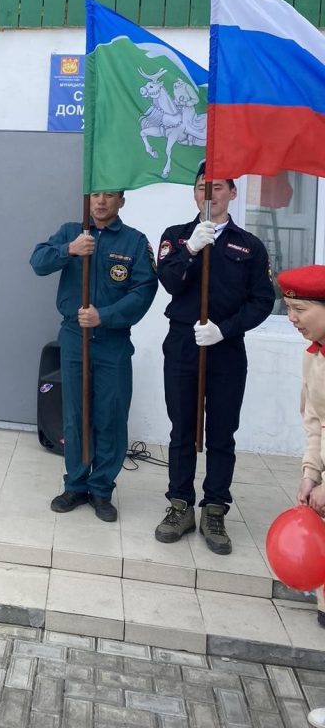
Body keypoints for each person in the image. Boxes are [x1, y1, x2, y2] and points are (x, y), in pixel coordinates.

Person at [155, 161, 274, 554]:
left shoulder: (249, 246)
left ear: (233, 193)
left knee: (222, 432)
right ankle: (180, 505)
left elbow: (262, 301)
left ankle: (215, 508)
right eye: (203, 186)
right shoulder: (175, 237)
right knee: (182, 429)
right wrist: (191, 248)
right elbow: (169, 282)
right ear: (194, 193)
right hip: (183, 344)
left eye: (219, 186)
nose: (210, 193)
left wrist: (225, 329)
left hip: (226, 348)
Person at [30, 191, 158, 522]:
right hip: (75, 338)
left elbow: (144, 290)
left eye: (109, 196)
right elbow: (38, 262)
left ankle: (101, 489)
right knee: (75, 414)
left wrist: (106, 315)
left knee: (110, 416)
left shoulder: (134, 242)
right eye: (96, 195)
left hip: (112, 341)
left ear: (121, 201)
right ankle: (75, 485)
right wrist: (69, 249)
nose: (101, 202)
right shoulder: (71, 232)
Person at [276, 265, 325, 728]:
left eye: (300, 309)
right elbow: (315, 422)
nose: (291, 318)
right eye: (288, 308)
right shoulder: (314, 357)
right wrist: (311, 474)